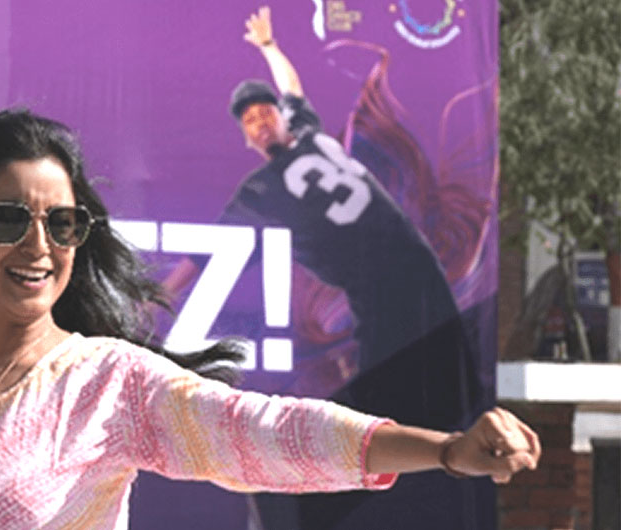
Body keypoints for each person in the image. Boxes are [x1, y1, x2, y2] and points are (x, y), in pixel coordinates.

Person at [0, 81, 538, 529]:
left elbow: (269, 432)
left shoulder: (108, 384)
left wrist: (446, 451)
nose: (39, 245)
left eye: (62, 224)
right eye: (10, 219)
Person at [160, 6, 501, 529]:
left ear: (280, 117)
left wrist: (269, 48)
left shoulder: (309, 132)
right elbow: (205, 254)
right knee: (379, 416)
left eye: (265, 113)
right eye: (250, 121)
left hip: (418, 270)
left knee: (441, 396)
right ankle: (287, 503)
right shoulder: (260, 189)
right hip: (381, 293)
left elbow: (292, 87)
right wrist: (161, 294)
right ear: (246, 138)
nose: (261, 122)